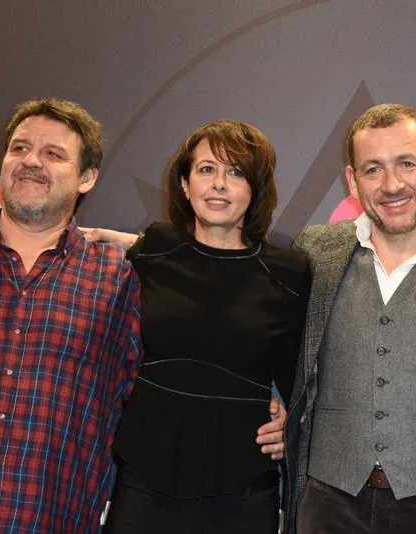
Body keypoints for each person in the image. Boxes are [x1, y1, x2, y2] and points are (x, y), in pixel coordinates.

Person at [0, 98, 143, 532]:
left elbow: (169, 385)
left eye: (53, 154)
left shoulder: (120, 279)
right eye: (19, 148)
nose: (31, 162)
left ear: (87, 178)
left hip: (49, 518)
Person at [284, 103, 416, 534]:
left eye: (406, 163)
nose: (392, 184)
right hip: (327, 503)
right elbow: (242, 280)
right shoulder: (315, 249)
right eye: (372, 169)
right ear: (351, 180)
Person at [88, 120, 310, 533]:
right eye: (206, 169)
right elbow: (73, 240)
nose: (219, 184)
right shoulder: (155, 246)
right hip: (144, 472)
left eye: (235, 172)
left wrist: (290, 423)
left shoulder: (289, 271)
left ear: (256, 189)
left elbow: (303, 375)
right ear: (186, 185)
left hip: (242, 481)